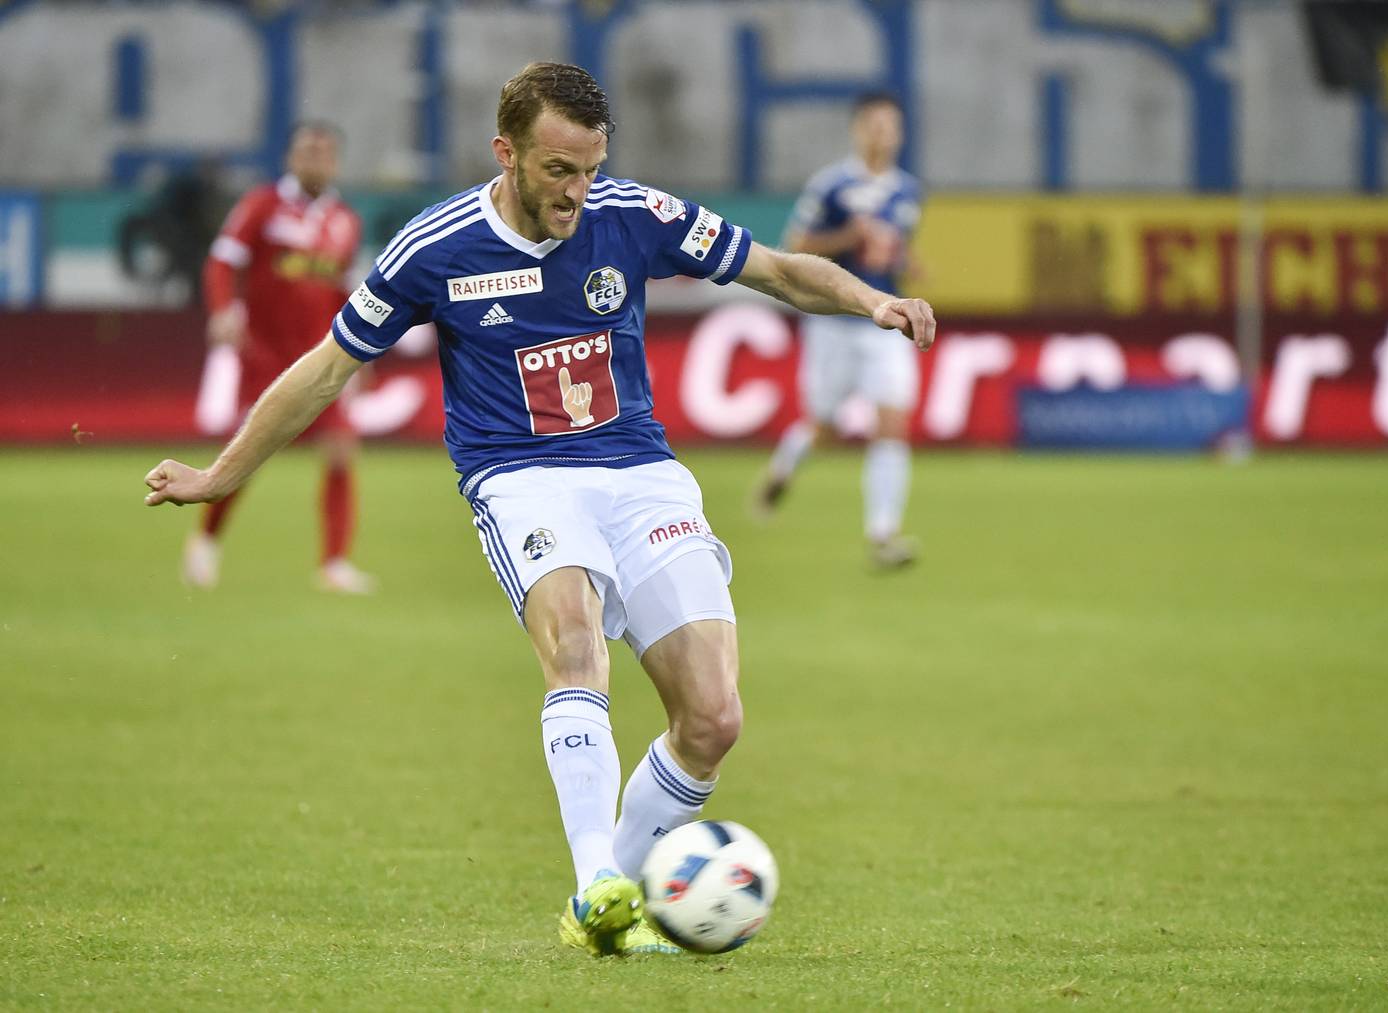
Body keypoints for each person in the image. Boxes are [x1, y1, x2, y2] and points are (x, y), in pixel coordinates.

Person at [144, 63, 935, 956]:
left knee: (714, 717)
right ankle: (597, 875)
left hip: (640, 471)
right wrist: (221, 474)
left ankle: (610, 909)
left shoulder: (631, 214)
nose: (577, 191)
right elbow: (327, 368)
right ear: (506, 152)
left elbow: (778, 268)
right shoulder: (433, 247)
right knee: (575, 641)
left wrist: (874, 299)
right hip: (518, 476)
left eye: (591, 168)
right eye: (559, 170)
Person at [182, 121, 375, 594]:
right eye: (308, 150)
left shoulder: (345, 220)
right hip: (264, 354)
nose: (316, 160)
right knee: (250, 453)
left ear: (335, 162)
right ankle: (206, 539)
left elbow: (344, 292)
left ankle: (333, 562)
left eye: (325, 152)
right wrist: (225, 309)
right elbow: (223, 260)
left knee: (340, 449)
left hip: (320, 357)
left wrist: (362, 351)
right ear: (291, 157)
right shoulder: (262, 205)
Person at [754, 92, 924, 568]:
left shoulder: (908, 190)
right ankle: (784, 466)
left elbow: (895, 250)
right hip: (834, 323)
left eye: (891, 126)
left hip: (885, 323)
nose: (882, 134)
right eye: (874, 124)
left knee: (892, 422)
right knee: (824, 427)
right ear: (858, 129)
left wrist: (908, 263)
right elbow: (796, 245)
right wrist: (849, 237)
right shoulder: (831, 186)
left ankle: (883, 535)